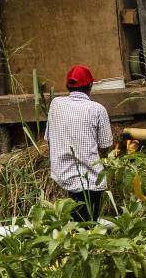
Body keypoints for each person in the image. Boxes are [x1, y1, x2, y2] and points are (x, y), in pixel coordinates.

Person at [45, 64, 113, 222]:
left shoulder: (56, 104)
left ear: (67, 86)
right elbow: (105, 145)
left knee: (71, 225)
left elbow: (49, 139)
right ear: (90, 86)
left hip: (62, 177)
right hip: (90, 180)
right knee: (87, 228)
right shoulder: (97, 109)